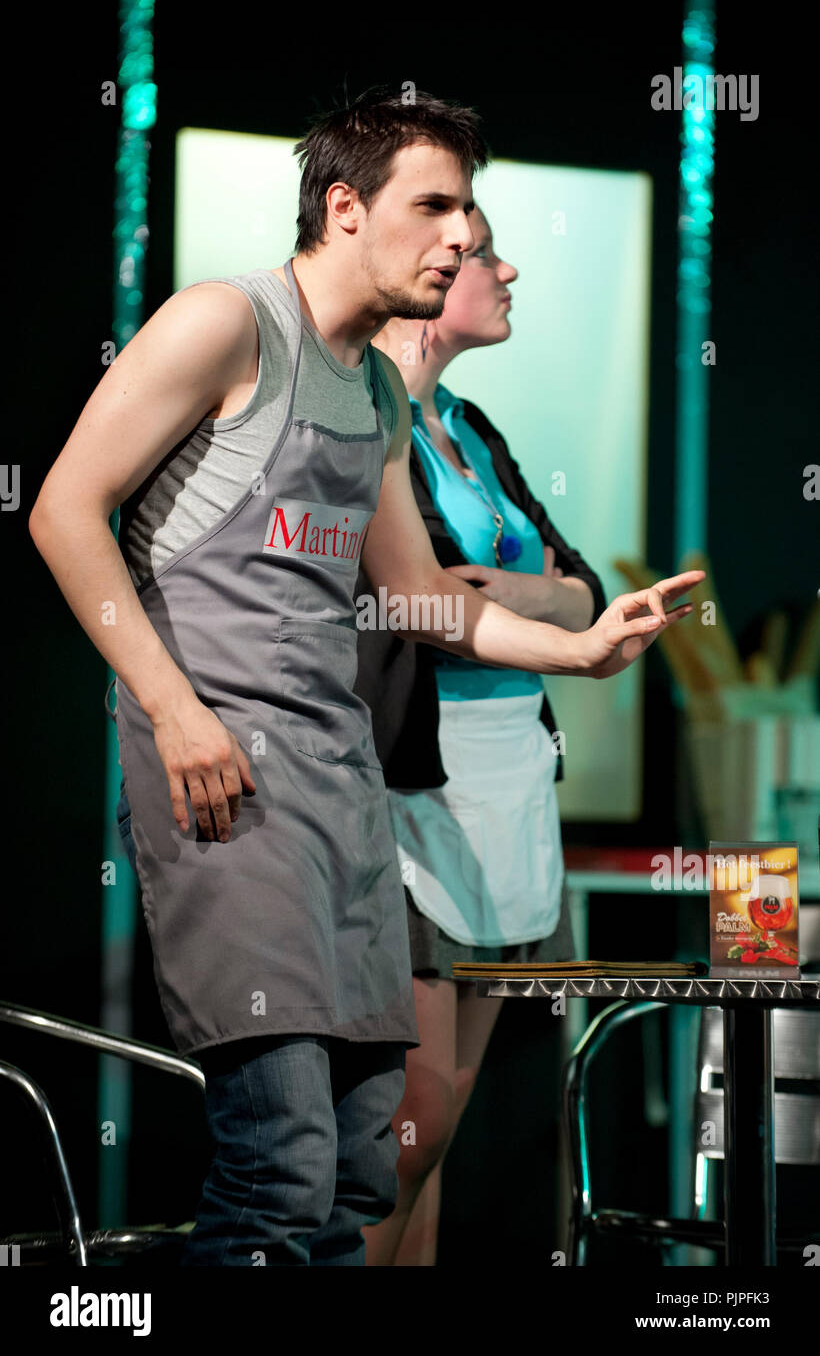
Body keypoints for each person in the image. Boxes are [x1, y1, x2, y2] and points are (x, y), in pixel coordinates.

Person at [28, 85, 702, 1266]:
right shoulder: (225, 322)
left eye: (471, 209)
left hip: (341, 794)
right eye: (436, 205)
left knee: (355, 1163)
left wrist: (580, 647)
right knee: (279, 1157)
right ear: (343, 207)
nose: (463, 235)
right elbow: (63, 512)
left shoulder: (378, 391)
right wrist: (175, 708)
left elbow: (422, 598)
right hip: (223, 782)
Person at [355, 204, 604, 1265]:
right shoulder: (362, 416)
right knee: (406, 1125)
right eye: (479, 253)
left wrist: (514, 594)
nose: (501, 270)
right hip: (412, 787)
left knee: (443, 1125)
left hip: (510, 785)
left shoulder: (469, 424)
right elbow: (418, 609)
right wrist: (541, 606)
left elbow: (585, 590)